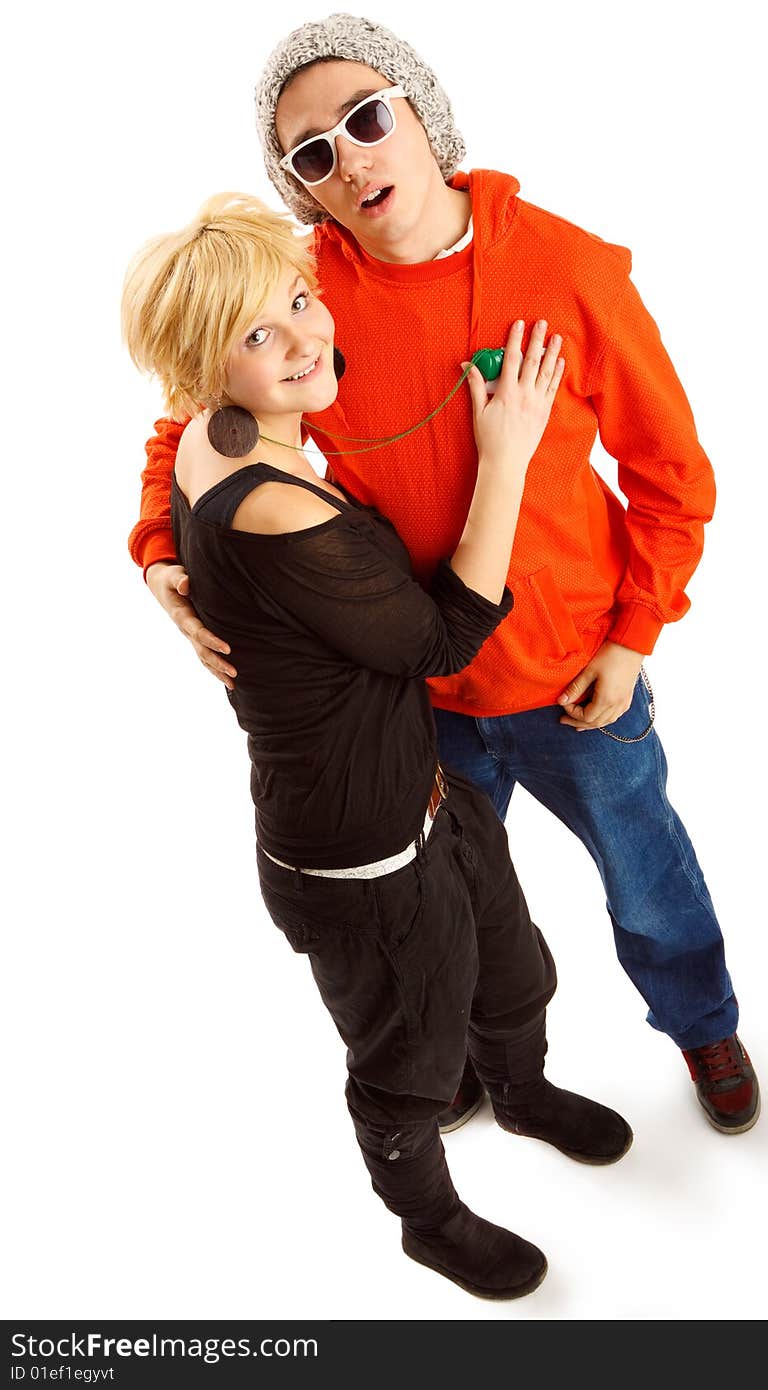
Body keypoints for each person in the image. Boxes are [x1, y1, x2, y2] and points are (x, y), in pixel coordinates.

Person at [130, 14, 759, 1137]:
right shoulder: (300, 295)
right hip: (418, 688)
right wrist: (161, 550)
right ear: (301, 190)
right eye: (311, 153)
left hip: (575, 679)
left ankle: (702, 1021)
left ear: (423, 115)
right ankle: (492, 1064)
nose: (351, 158)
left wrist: (632, 637)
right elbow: (190, 411)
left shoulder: (562, 267)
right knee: (455, 907)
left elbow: (671, 469)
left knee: (647, 877)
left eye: (367, 119)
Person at [121, 193, 633, 1300]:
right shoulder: (266, 505)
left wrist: (154, 553)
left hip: (426, 791)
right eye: (260, 335)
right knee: (405, 1063)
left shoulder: (220, 433)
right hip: (355, 855)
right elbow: (442, 635)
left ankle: (524, 1089)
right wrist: (507, 452)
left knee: (511, 967)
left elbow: (166, 463)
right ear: (207, 374)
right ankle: (428, 1215)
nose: (308, 338)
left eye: (300, 300)